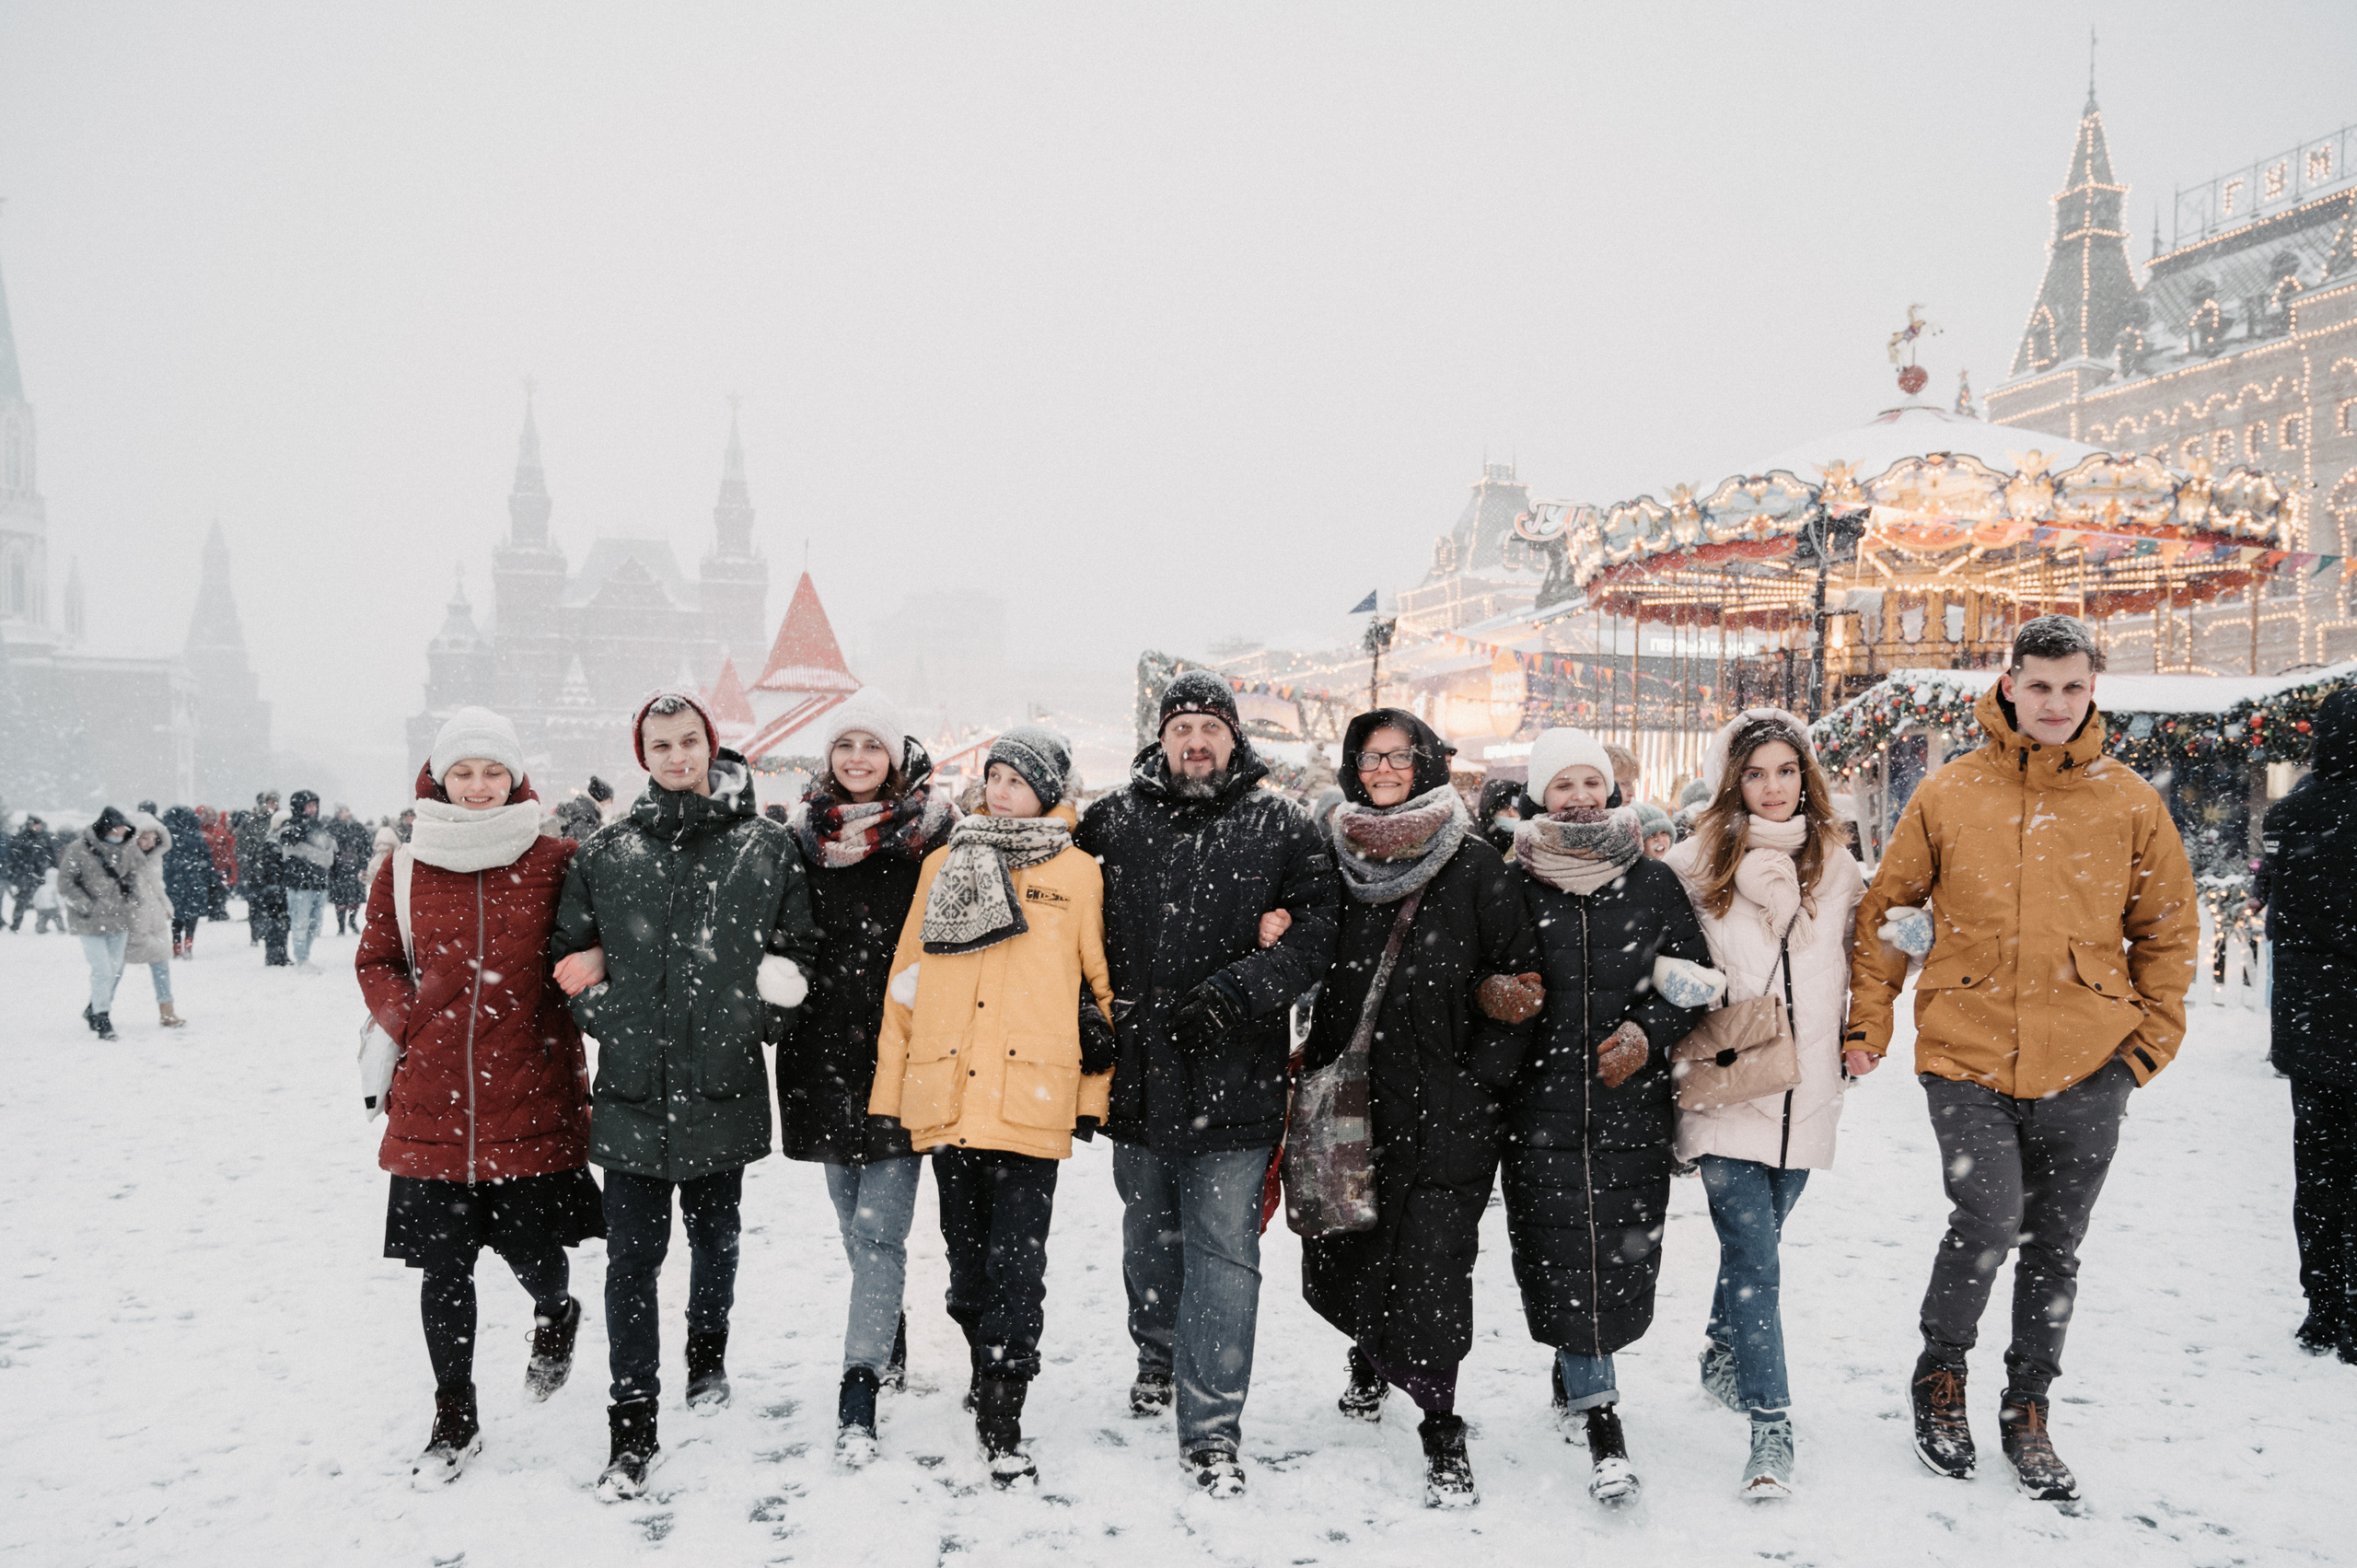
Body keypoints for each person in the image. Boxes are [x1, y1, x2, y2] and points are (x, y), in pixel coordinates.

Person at [1851, 615, 2197, 1503]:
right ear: (2009, 684)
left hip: (2089, 1059)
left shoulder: (2128, 801)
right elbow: (1887, 915)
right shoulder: (1950, 793)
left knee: (2056, 1244)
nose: (2054, 702)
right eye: (2038, 685)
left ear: (2091, 692)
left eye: (2072, 687)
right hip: (1967, 1052)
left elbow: (2167, 929)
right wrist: (1871, 1024)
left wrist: (2145, 1044)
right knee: (1989, 1221)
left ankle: (2029, 1405)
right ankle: (1940, 1377)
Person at [550, 689, 820, 1502]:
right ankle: (631, 1422)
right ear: (642, 755)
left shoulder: (763, 847)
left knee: (716, 1238)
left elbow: (797, 949)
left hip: (721, 1084)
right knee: (632, 1259)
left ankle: (708, 1355)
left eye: (689, 741)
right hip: (632, 1090)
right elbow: (568, 963)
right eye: (660, 744)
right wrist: (616, 1016)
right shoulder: (605, 855)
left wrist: (754, 1020)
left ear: (711, 747)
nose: (676, 756)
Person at [1074, 670, 1340, 1499]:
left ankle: (1214, 1424)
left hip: (1236, 1079)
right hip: (1138, 1077)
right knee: (1149, 1234)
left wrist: (1239, 992)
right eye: (1182, 726)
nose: (1196, 740)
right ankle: (1157, 1349)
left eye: (1210, 727)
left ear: (1235, 738)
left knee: (1226, 1253)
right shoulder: (1109, 822)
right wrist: (1083, 1007)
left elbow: (1316, 935)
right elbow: (1062, 927)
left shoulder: (1284, 825)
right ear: (1161, 738)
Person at [356, 708, 603, 1488]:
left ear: (516, 777)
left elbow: (591, 943)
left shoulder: (556, 859)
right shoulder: (404, 864)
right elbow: (379, 960)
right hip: (432, 1099)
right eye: (462, 772)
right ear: (436, 777)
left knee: (534, 1252)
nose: (477, 786)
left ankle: (555, 1309)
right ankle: (454, 1413)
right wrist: (415, 1019)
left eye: (492, 772)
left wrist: (586, 967)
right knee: (443, 1267)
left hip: (527, 1089)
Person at [872, 726, 1114, 1488]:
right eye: (995, 776)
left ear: (1049, 792)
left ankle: (1005, 1407)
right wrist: (893, 1091)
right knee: (967, 1268)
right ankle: (984, 1356)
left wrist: (1091, 1095)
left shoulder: (1076, 873)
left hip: (1033, 1095)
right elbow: (906, 983)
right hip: (950, 1094)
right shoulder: (944, 864)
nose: (1003, 789)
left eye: (1019, 779)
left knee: (1019, 1266)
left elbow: (1098, 991)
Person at [1301, 710, 1533, 1508]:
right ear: (1352, 766)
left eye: (1401, 755)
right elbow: (1302, 951)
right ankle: (1370, 1352)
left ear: (1427, 762)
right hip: (1352, 1098)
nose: (1387, 768)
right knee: (1355, 1238)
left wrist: (1480, 1078)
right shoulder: (1329, 856)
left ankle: (1440, 1415)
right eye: (1372, 757)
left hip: (1447, 1104)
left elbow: (1519, 976)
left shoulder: (1474, 865)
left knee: (1436, 1264)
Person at [1499, 728, 1714, 1506]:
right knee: (1561, 1251)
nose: (1581, 796)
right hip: (1538, 1108)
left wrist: (1645, 1033)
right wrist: (1498, 996)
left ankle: (1578, 1365)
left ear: (1613, 789)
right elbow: (1481, 973)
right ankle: (1602, 1418)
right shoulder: (1512, 881)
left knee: (1614, 1257)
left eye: (1592, 781)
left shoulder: (1654, 882)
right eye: (1564, 785)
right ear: (1540, 796)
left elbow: (1695, 978)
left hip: (1631, 1108)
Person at [1661, 710, 1866, 1498]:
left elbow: (1866, 961)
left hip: (1809, 1089)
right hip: (1728, 1083)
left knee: (1763, 1240)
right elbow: (1654, 955)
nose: (1772, 787)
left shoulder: (1839, 865)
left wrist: (1868, 1028)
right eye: (1755, 773)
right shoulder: (1693, 862)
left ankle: (1722, 1346)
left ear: (1805, 775)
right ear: (1732, 781)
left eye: (1785, 770)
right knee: (1755, 1255)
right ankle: (1771, 1424)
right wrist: (1679, 983)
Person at [778, 690, 958, 1464]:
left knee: (881, 1230)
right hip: (819, 1053)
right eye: (845, 745)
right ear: (829, 757)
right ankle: (888, 1334)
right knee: (855, 1225)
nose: (858, 759)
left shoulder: (933, 839)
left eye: (872, 747)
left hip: (901, 1052)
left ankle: (859, 1390)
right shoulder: (798, 839)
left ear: (895, 757)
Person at [2251, 686, 2357, 1365]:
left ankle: (2323, 1306)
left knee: (2318, 1167)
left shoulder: (2292, 815)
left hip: (2314, 1020)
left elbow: (2271, 903)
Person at [57, 807, 143, 1040]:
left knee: (115, 970)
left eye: (123, 831)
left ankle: (93, 1007)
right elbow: (65, 882)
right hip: (89, 921)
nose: (119, 835)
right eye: (116, 830)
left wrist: (133, 898)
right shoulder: (79, 849)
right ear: (105, 829)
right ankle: (102, 1017)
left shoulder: (126, 849)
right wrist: (86, 905)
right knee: (102, 970)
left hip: (119, 917)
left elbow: (132, 876)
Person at [123, 811, 190, 1028]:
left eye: (153, 839)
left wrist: (166, 905)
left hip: (155, 919)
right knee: (115, 968)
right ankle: (98, 1008)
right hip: (132, 919)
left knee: (161, 966)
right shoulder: (124, 858)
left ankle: (167, 1012)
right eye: (144, 838)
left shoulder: (155, 858)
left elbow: (156, 885)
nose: (149, 843)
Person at [274, 791, 337, 969]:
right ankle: (301, 958)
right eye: (308, 806)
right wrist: (303, 827)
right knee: (300, 922)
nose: (312, 809)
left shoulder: (321, 827)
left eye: (314, 805)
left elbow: (329, 849)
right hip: (299, 884)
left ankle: (305, 956)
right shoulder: (290, 825)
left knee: (315, 925)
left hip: (319, 882)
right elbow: (286, 838)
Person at [160, 805, 223, 958]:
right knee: (191, 914)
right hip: (194, 880)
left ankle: (176, 944)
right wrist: (213, 879)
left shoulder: (167, 839)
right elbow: (207, 861)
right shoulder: (196, 838)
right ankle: (189, 942)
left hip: (173, 881)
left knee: (177, 915)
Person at [233, 792, 278, 945]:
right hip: (255, 870)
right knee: (255, 904)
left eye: (274, 802)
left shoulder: (279, 821)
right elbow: (241, 848)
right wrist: (247, 867)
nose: (272, 805)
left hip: (273, 870)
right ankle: (255, 934)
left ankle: (268, 932)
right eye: (269, 802)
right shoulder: (251, 822)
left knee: (272, 904)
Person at [329, 805, 371, 935]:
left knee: (355, 898)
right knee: (340, 899)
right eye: (342, 811)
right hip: (338, 869)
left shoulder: (358, 827)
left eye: (347, 810)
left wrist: (363, 864)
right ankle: (341, 926)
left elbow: (366, 847)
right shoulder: (333, 828)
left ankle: (352, 921)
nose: (345, 813)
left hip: (355, 867)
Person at [1476, 777, 1523, 858]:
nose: (1512, 814)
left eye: (1516, 809)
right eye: (1504, 808)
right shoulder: (1475, 844)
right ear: (1490, 812)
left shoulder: (1527, 845)